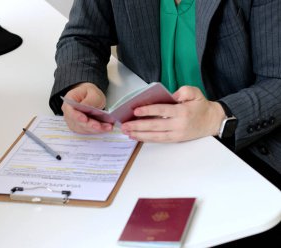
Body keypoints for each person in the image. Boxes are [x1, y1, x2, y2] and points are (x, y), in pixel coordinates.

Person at [49, 0, 281, 245]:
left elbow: (277, 79)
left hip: (242, 148)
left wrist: (216, 116)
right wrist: (82, 84)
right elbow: (83, 36)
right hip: (148, 149)